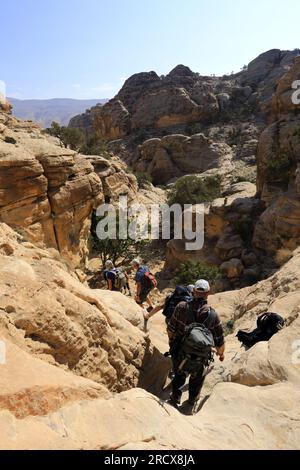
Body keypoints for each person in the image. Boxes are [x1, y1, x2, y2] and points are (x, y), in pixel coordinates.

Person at [167, 279, 225, 413]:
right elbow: (219, 341)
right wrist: (221, 354)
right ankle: (191, 402)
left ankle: (175, 398)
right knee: (197, 378)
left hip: (181, 353)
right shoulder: (213, 314)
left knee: (179, 374)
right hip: (201, 358)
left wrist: (172, 343)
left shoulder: (182, 307)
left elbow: (170, 329)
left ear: (193, 292)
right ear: (208, 293)